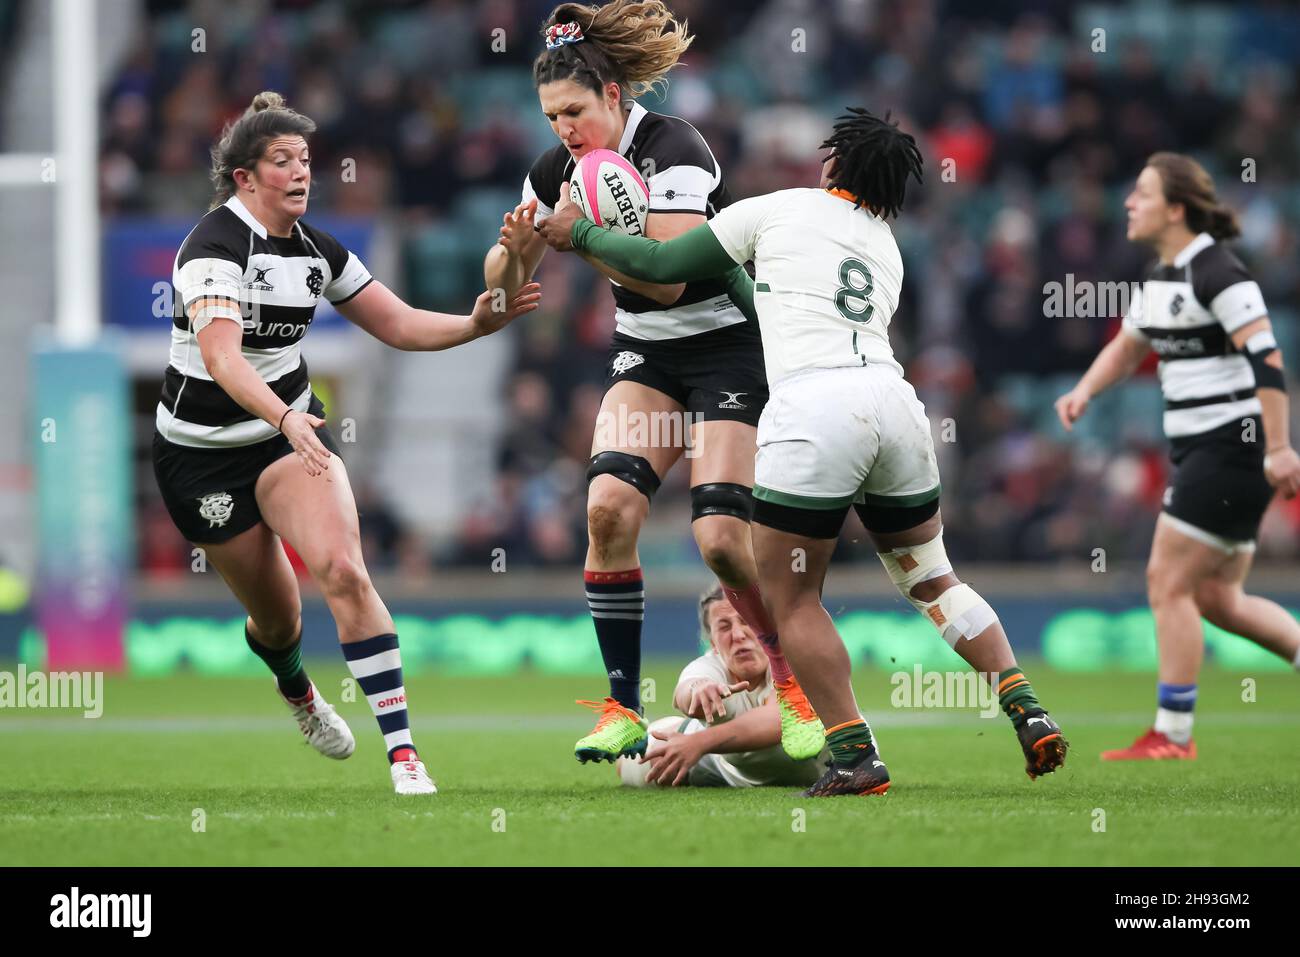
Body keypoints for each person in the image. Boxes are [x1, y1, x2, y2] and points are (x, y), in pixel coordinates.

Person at [538, 107, 1069, 796]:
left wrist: (577, 231)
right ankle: (1025, 705)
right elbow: (766, 303)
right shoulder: (887, 248)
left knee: (790, 599)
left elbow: (664, 264)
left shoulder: (781, 208)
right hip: (894, 405)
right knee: (933, 578)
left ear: (834, 163)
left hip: (814, 412)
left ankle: (854, 754)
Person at [152, 91, 540, 794]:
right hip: (200, 458)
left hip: (285, 440)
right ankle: (300, 692)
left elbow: (397, 323)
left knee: (343, 569)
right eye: (282, 161)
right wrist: (284, 415)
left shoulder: (319, 251)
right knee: (278, 619)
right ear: (244, 177)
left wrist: (476, 324)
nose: (302, 173)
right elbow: (222, 359)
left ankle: (403, 753)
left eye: (305, 159)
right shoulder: (210, 249)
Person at [485, 0, 823, 767]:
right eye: (549, 117)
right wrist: (512, 254)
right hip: (649, 356)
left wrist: (577, 239)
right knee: (607, 508)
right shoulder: (556, 171)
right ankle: (622, 706)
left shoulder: (676, 147)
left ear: (612, 95)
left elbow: (669, 280)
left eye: (573, 110)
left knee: (720, 540)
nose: (563, 130)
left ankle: (793, 686)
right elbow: (503, 283)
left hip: (730, 350)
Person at [1056, 152, 1300, 760]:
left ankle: (1173, 734)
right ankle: (1176, 731)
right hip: (1205, 452)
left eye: (1141, 194)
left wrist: (1277, 447)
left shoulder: (1221, 275)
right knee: (1218, 599)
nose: (1128, 204)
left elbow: (1267, 361)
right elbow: (1128, 347)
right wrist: (1084, 391)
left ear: (1176, 208)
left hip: (1230, 449)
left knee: (1166, 582)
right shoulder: (1163, 278)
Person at [617, 585, 830, 788]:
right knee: (633, 761)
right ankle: (677, 728)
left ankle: (688, 733)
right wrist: (699, 691)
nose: (738, 635)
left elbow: (780, 719)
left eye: (747, 621)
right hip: (724, 765)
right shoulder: (709, 666)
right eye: (724, 627)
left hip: (824, 766)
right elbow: (686, 692)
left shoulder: (796, 658)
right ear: (713, 644)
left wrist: (698, 743)